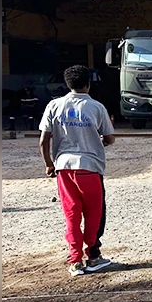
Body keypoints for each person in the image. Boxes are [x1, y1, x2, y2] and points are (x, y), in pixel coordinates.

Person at [39, 65, 116, 277]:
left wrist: (49, 164)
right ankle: (93, 256)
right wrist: (101, 140)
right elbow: (110, 138)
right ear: (88, 84)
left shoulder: (54, 105)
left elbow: (44, 140)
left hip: (64, 167)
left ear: (67, 84)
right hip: (90, 166)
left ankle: (75, 261)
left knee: (71, 214)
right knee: (93, 213)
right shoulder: (97, 107)